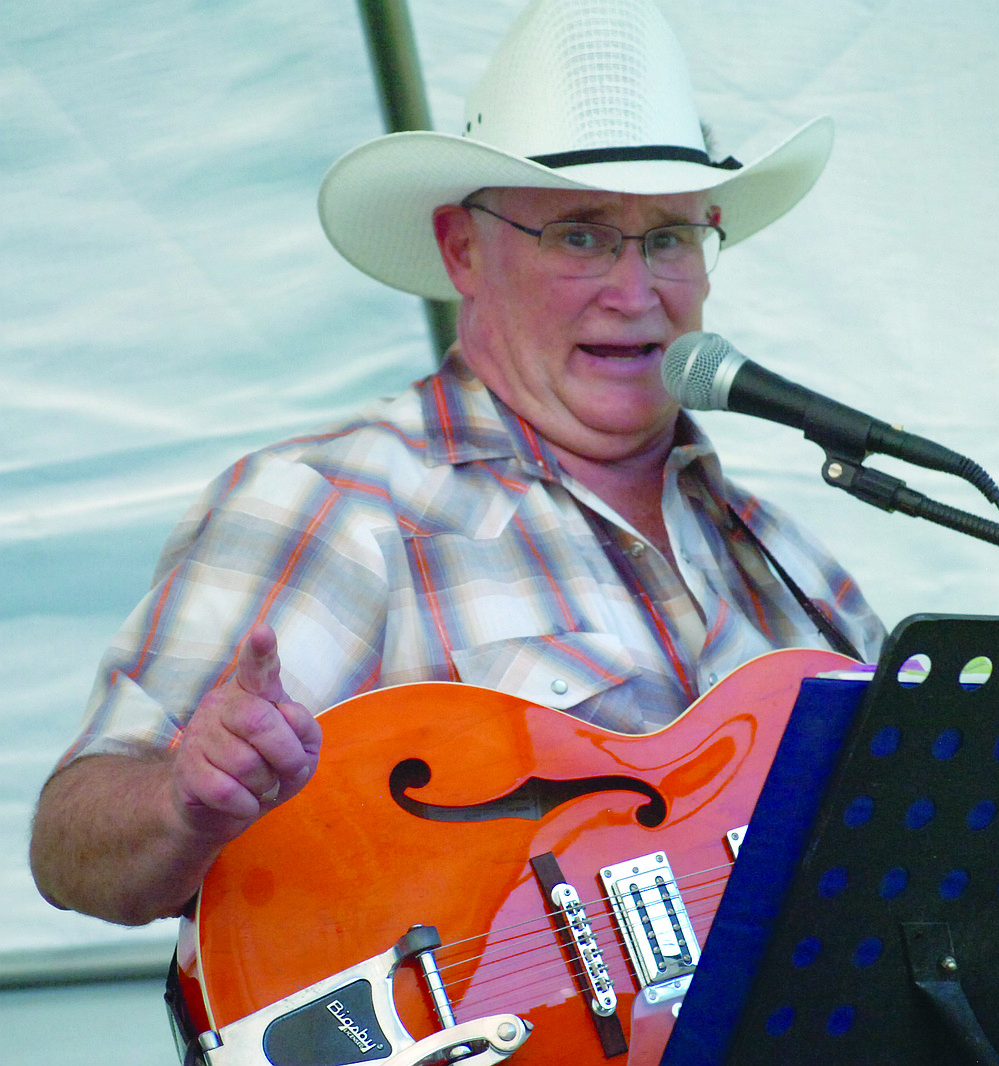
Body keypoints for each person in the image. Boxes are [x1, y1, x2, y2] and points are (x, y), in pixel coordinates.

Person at [29, 0, 884, 930]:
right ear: (462, 250)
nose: (635, 293)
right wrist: (180, 801)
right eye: (582, 235)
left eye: (669, 238)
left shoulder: (787, 559)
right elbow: (71, 847)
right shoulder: (338, 502)